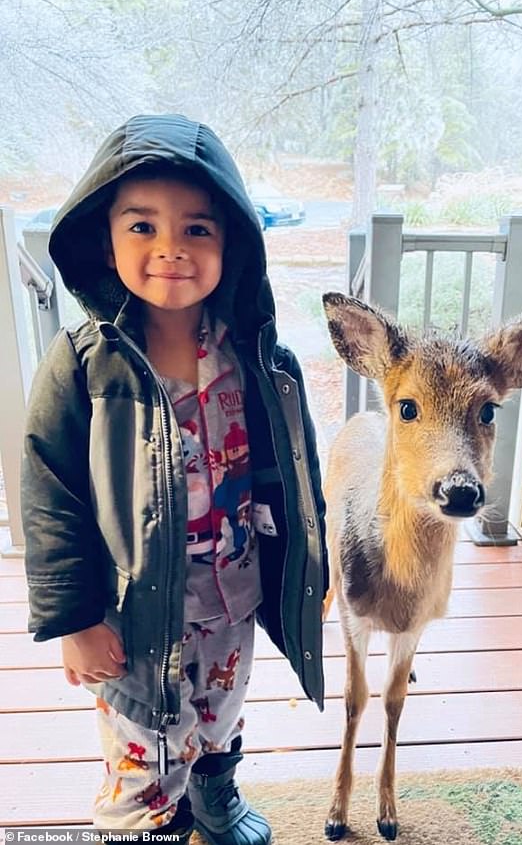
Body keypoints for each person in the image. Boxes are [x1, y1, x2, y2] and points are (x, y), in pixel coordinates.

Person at [21, 114, 328, 843]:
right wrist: (74, 618)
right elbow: (48, 494)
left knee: (220, 711)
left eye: (196, 229)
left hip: (232, 591)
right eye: (142, 227)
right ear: (106, 239)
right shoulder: (84, 365)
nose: (169, 250)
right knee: (146, 744)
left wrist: (317, 564)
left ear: (232, 244)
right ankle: (146, 824)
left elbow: (296, 472)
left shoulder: (258, 358)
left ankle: (216, 793)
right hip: (130, 609)